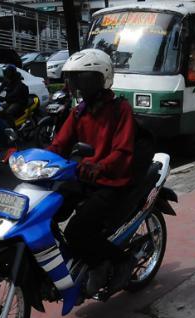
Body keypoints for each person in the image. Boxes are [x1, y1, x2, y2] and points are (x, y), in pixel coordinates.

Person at [46, 49, 136, 296]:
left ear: (100, 77)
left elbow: (122, 151)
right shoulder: (79, 111)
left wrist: (100, 165)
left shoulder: (120, 110)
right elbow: (59, 144)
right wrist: (37, 159)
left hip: (111, 181)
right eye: (74, 78)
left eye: (81, 78)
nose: (76, 84)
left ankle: (114, 261)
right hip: (83, 177)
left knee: (77, 231)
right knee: (48, 212)